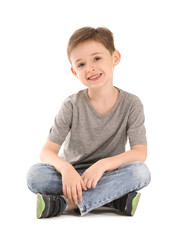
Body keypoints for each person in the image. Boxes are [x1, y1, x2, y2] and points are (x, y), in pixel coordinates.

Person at [27, 27, 151, 219]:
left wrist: (102, 165)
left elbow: (140, 152)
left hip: (108, 173)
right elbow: (47, 151)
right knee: (35, 176)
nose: (90, 68)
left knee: (140, 172)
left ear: (115, 58)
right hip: (73, 177)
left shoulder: (131, 104)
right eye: (81, 64)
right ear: (74, 72)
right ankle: (113, 199)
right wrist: (67, 169)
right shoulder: (71, 105)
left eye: (97, 58)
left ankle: (64, 204)